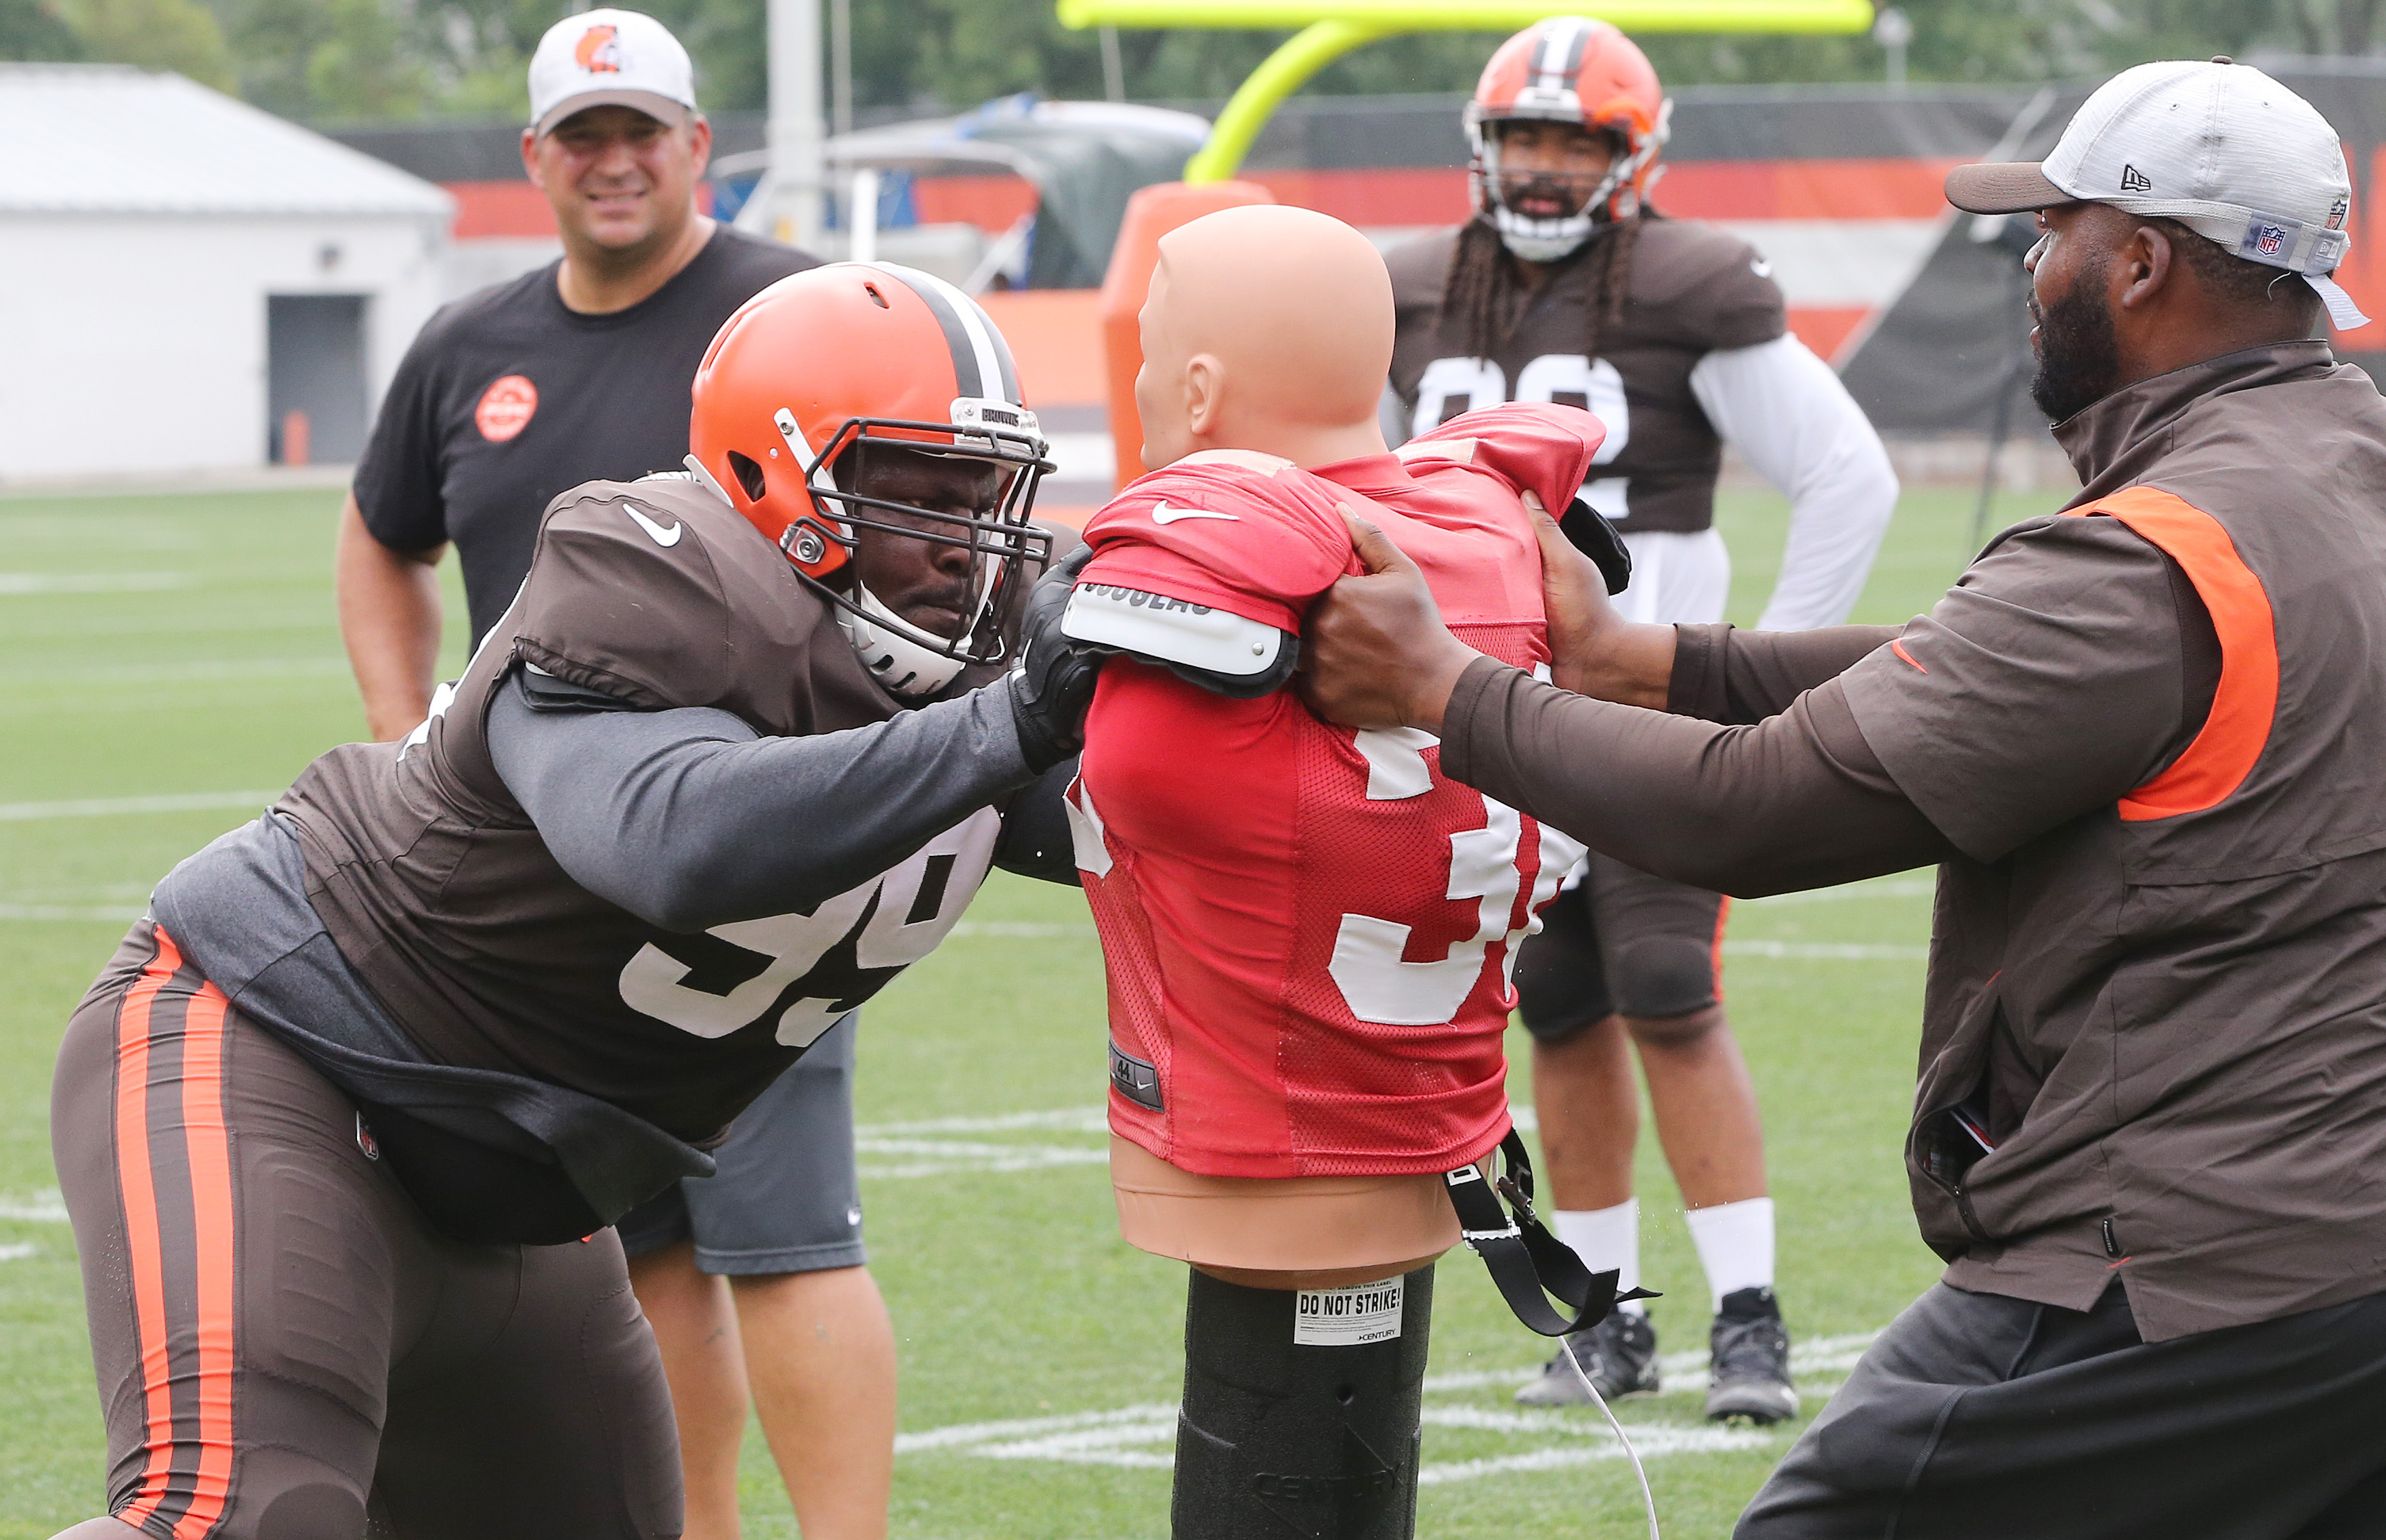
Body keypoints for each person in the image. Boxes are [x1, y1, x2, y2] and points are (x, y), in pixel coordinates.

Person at [1300, 59, 2386, 1536]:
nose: (2027, 257)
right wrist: (1650, 659)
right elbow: (2012, 678)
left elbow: (1754, 814)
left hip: (2171, 1262)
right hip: (2338, 1254)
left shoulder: (2147, 557)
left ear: (2137, 261)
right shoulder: (2338, 470)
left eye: (2053, 225)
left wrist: (1448, 694)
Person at [47, 265, 1096, 1540]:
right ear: (780, 484)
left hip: (526, 1187)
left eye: (986, 496)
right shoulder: (656, 569)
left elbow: (1147, 830)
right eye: (918, 494)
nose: (962, 544)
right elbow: (668, 838)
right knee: (247, 1521)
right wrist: (1014, 719)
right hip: (283, 1053)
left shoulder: (968, 666)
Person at [331, 12, 891, 1535]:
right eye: (584, 136)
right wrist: (408, 725)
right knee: (634, 1258)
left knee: (786, 1239)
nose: (617, 159)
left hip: (751, 845)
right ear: (537, 160)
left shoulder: (800, 309)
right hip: (533, 879)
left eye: (643, 128)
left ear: (698, 144)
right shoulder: (471, 343)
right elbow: (383, 538)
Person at [1057, 203, 1629, 1540]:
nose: (1139, 384)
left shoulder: (1228, 559)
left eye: (1151, 355)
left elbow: (1129, 780)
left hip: (1277, 1118)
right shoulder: (1488, 522)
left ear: (1196, 386)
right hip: (1435, 1092)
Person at [1380, 15, 1900, 1421]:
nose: (1544, 170)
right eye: (1523, 139)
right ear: (1481, 148)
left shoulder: (1687, 280)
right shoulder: (1413, 286)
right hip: (1486, 718)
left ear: (1634, 154)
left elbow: (1846, 476)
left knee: (1669, 993)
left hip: (1644, 706)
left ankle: (1748, 1317)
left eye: (1576, 142)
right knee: (1555, 1009)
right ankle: (1605, 1319)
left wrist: (1766, 666)